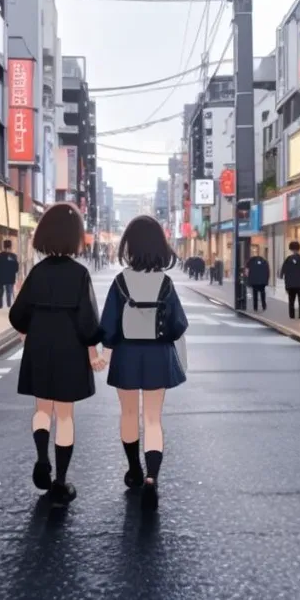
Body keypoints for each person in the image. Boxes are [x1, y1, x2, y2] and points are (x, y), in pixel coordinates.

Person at [9, 203, 101, 506]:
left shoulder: (37, 272)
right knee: (65, 415)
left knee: (42, 410)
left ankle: (41, 458)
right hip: (69, 349)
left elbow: (17, 315)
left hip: (40, 346)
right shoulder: (80, 275)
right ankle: (60, 481)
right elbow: (89, 323)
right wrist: (93, 350)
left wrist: (28, 333)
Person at [97, 215, 188, 511]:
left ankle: (134, 470)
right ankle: (152, 477)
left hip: (126, 354)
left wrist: (104, 355)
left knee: (128, 414)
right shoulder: (166, 282)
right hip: (158, 355)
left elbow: (108, 325)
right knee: (152, 418)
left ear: (130, 246)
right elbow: (177, 325)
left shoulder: (121, 281)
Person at [280, 241, 300, 319]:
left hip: (290, 284)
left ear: (291, 249)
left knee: (291, 301)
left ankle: (292, 316)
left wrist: (282, 276)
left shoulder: (288, 259)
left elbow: (283, 271)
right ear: (298, 249)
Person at [0, 239, 19, 308]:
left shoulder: (0, 256)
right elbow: (16, 268)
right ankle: (9, 305)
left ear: (3, 247)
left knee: (1, 292)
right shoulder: (13, 256)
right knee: (9, 291)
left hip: (1, 277)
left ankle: (0, 305)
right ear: (10, 247)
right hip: (10, 277)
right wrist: (12, 272)